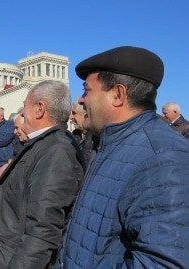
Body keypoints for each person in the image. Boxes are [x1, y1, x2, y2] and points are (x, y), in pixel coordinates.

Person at [57, 46, 189, 268]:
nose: (81, 100)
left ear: (118, 95)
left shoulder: (164, 157)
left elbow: (163, 262)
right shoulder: (111, 144)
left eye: (87, 91)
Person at [0, 80, 85, 269]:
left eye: (24, 107)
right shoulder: (43, 145)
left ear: (39, 109)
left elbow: (41, 231)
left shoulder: (57, 151)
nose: (22, 113)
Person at [70, 101, 100, 165]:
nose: (71, 117)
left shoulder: (97, 138)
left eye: (74, 113)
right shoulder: (73, 136)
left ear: (86, 114)